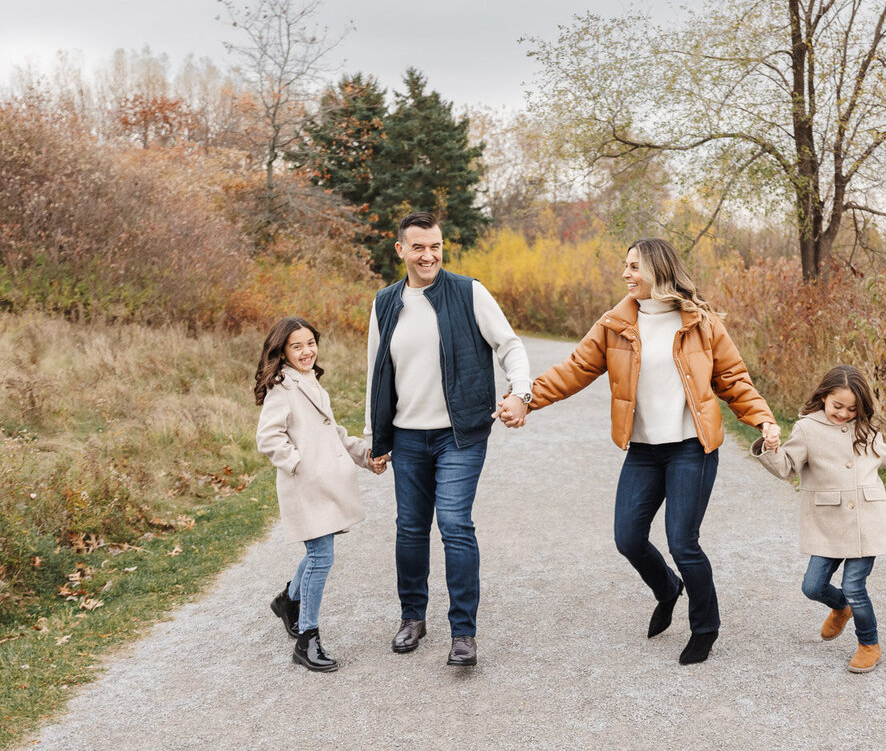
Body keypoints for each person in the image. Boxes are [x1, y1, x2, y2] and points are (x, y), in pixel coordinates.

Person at [500, 238, 780, 665]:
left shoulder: (700, 322)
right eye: (625, 266)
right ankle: (668, 589)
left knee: (683, 542)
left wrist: (762, 418)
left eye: (634, 267)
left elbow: (733, 378)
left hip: (692, 448)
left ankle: (705, 628)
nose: (626, 274)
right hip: (645, 450)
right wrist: (527, 397)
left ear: (659, 270)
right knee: (628, 538)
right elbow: (575, 369)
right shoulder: (615, 323)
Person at [366, 212, 532, 667]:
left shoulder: (469, 291)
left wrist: (521, 392)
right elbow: (375, 375)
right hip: (406, 437)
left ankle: (463, 633)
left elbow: (510, 345)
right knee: (411, 529)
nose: (428, 255)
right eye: (418, 247)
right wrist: (373, 438)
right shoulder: (384, 302)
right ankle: (412, 618)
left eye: (435, 246)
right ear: (400, 249)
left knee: (455, 525)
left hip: (459, 435)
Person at [753, 365, 886, 673]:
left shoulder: (867, 431)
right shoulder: (807, 429)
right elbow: (785, 467)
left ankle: (869, 644)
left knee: (855, 585)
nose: (844, 414)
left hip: (865, 522)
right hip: (827, 524)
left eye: (852, 409)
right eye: (837, 406)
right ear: (823, 398)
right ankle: (840, 607)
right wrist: (770, 447)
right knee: (812, 586)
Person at [255, 316, 387, 673]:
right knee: (321, 557)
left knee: (318, 552)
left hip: (323, 487)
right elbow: (268, 438)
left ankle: (288, 600)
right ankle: (307, 638)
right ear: (282, 351)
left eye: (310, 343)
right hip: (307, 487)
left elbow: (333, 433)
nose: (306, 351)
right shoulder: (283, 387)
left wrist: (366, 455)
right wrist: (300, 464)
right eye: (296, 346)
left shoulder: (311, 382)